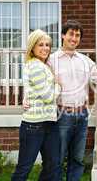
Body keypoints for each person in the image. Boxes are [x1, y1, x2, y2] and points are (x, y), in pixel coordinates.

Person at [24, 20, 97, 181]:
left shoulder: (84, 60)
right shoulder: (51, 60)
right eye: (71, 34)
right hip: (61, 115)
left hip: (82, 115)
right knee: (56, 160)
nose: (74, 38)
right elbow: (33, 78)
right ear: (63, 35)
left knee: (77, 160)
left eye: (77, 35)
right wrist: (26, 96)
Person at [12, 29, 61, 181]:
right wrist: (58, 86)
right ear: (32, 47)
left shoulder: (42, 65)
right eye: (41, 45)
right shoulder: (35, 66)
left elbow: (30, 90)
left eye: (47, 45)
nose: (45, 48)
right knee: (24, 167)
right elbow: (48, 96)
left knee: (52, 164)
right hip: (34, 125)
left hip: (49, 123)